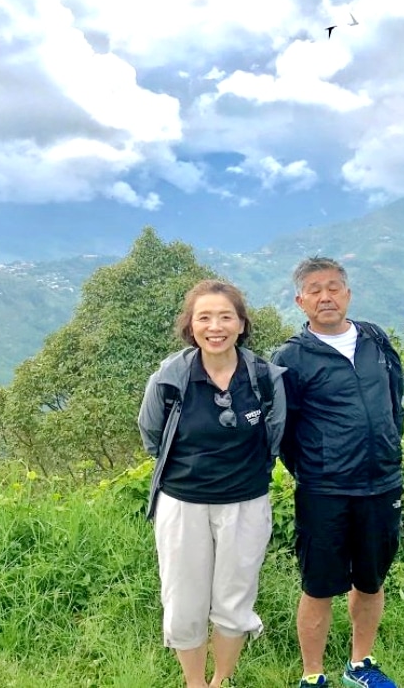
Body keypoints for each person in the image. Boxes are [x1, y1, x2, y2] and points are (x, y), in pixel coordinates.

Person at [138, 278, 288, 688]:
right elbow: (151, 434)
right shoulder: (171, 377)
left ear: (241, 324)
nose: (215, 326)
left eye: (226, 316)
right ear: (191, 325)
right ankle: (195, 684)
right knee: (184, 603)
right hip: (182, 504)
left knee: (234, 601)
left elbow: (274, 436)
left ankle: (220, 680)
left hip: (246, 505)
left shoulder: (263, 378)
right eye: (204, 317)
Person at [271, 256, 404, 688]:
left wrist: (387, 451)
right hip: (323, 490)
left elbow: (394, 402)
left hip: (381, 483)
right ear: (300, 300)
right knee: (319, 585)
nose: (325, 296)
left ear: (347, 293)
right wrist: (316, 467)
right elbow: (284, 430)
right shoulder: (291, 357)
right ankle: (312, 675)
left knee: (370, 579)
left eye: (333, 287)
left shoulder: (375, 340)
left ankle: (360, 664)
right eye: (314, 289)